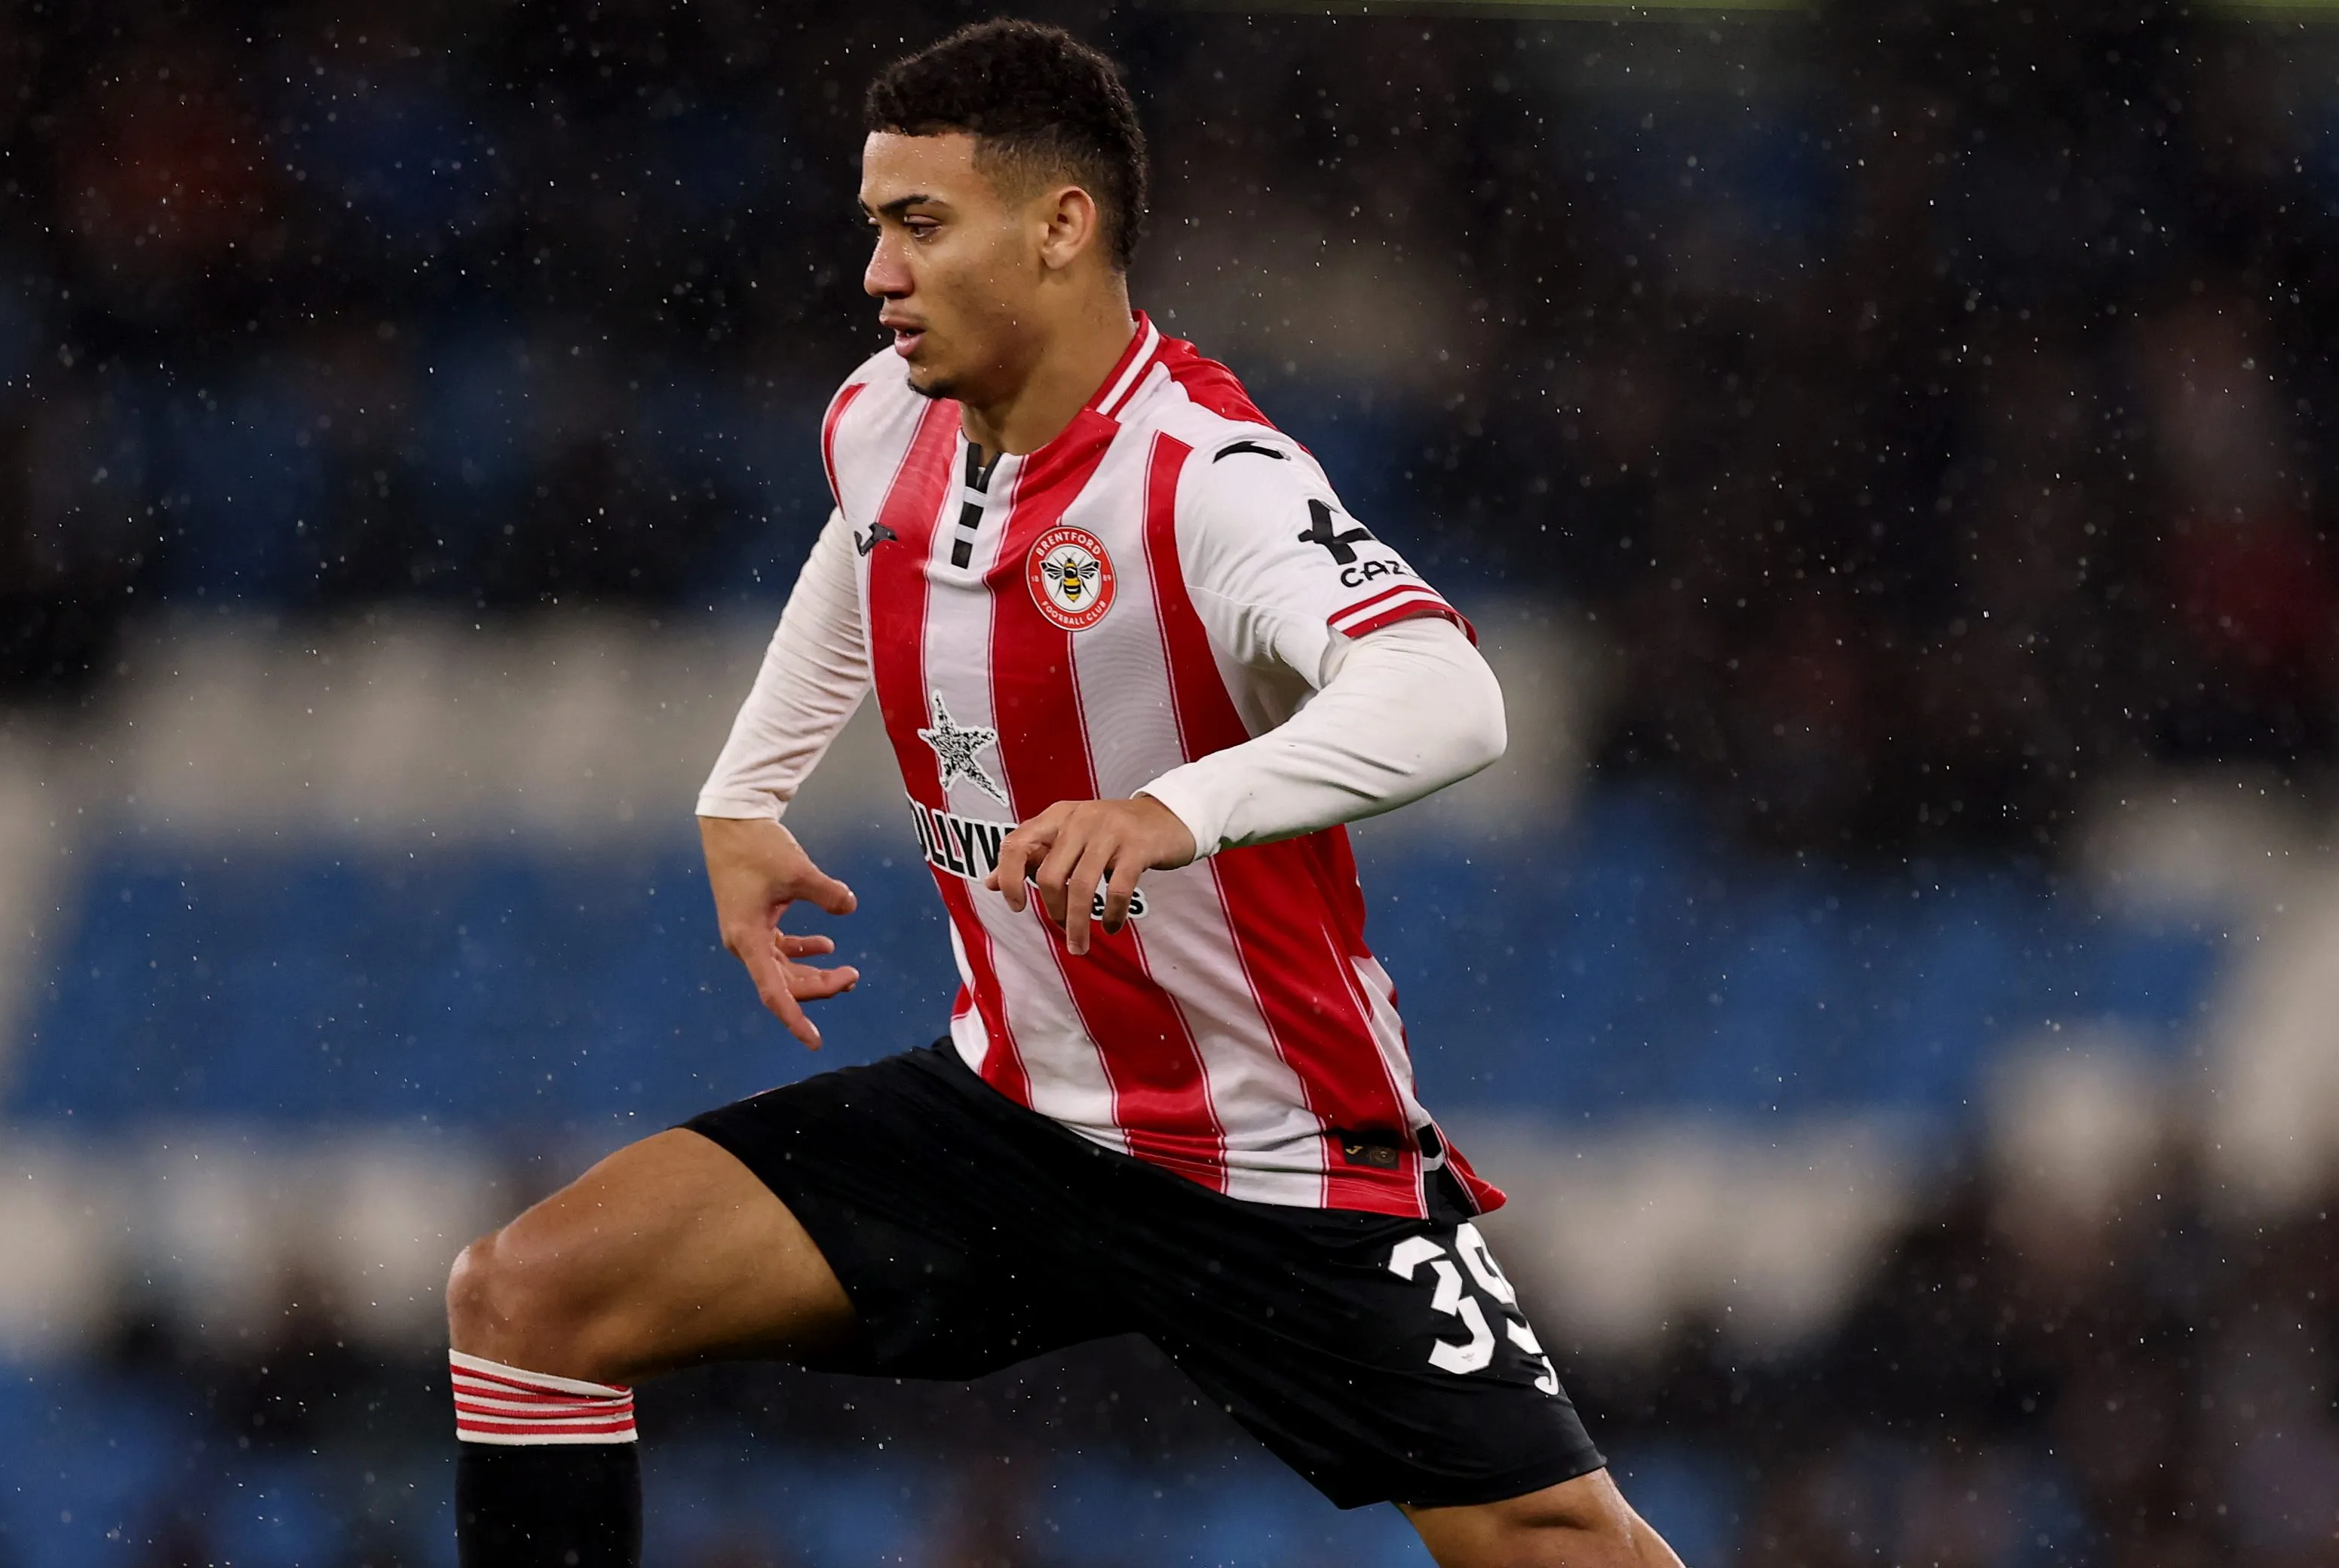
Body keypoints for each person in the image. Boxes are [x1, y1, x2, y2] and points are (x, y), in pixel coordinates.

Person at [443, 20, 1683, 1567]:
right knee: (525, 1296)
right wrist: (746, 788)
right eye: (873, 226)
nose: (879, 272)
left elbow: (1449, 691)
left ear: (1059, 227)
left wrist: (1176, 811)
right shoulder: (883, 415)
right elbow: (862, 542)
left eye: (920, 225)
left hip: (1270, 1150)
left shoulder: (1206, 476)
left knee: (1558, 1541)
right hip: (1013, 1111)